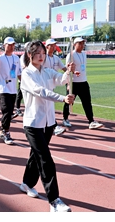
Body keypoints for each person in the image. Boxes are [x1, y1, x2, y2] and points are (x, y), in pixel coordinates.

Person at [18, 40, 76, 211]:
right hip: (33, 123)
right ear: (30, 55)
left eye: (43, 53)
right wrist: (62, 98)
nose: (41, 56)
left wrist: (68, 72)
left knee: (35, 156)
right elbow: (40, 91)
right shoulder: (27, 74)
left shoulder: (47, 71)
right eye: (38, 53)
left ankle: (27, 183)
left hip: (48, 123)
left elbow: (61, 79)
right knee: (46, 160)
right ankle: (54, 201)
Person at [63, 36, 103, 130]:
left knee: (87, 103)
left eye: (83, 43)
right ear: (74, 44)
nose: (82, 45)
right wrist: (69, 83)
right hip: (73, 83)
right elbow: (67, 69)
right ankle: (65, 119)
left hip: (83, 82)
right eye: (80, 43)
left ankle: (91, 121)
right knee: (69, 102)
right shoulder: (71, 55)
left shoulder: (84, 54)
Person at [0, 37, 22, 144]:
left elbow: (19, 74)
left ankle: (3, 130)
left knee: (9, 112)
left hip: (13, 89)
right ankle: (6, 132)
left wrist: (25, 84)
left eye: (13, 45)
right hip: (3, 88)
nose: (11, 47)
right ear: (4, 45)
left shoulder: (16, 58)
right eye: (9, 45)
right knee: (7, 111)